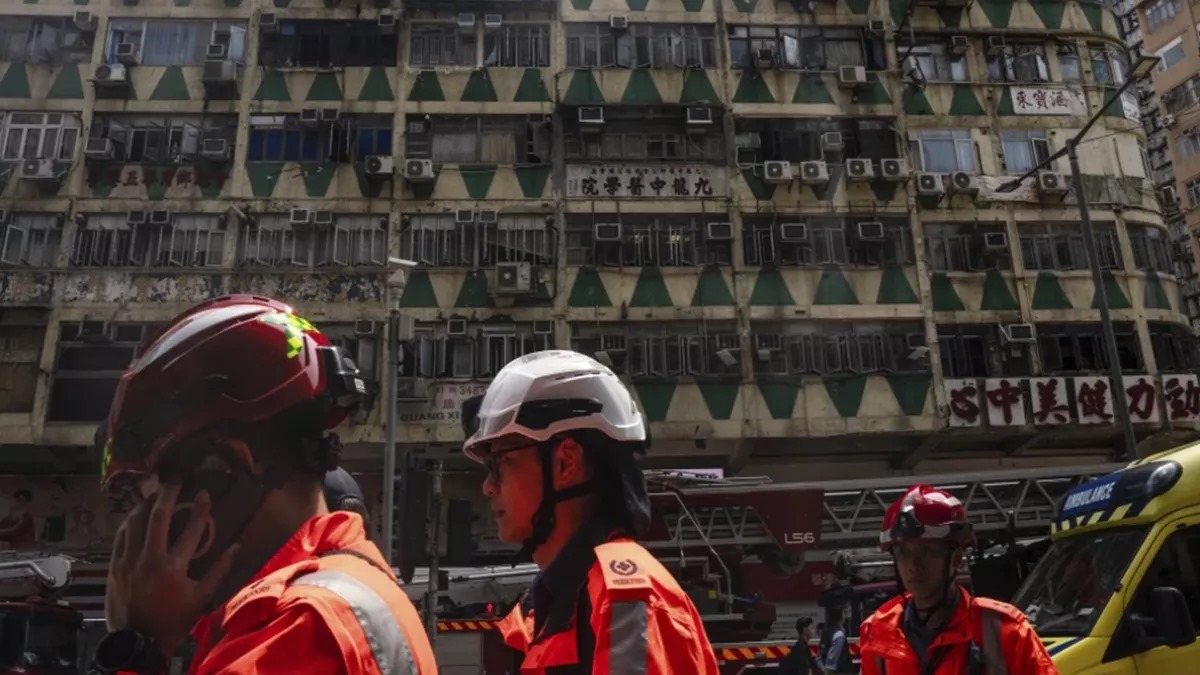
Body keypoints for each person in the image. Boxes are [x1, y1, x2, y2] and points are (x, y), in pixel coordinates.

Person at [89, 295, 438, 675]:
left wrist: (137, 645)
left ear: (223, 469)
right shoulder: (337, 589)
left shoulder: (298, 632)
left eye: (147, 496)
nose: (134, 532)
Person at [463, 350, 720, 674]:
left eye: (499, 463)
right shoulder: (567, 599)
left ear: (565, 461)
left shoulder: (623, 600)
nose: (488, 486)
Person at [858, 485, 1058, 675]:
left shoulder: (1006, 631)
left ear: (956, 558)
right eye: (903, 553)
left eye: (927, 551)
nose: (913, 565)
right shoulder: (878, 632)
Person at [822, 607, 854, 674]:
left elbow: (820, 655)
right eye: (844, 613)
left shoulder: (826, 631)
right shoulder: (839, 634)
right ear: (840, 616)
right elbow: (832, 659)